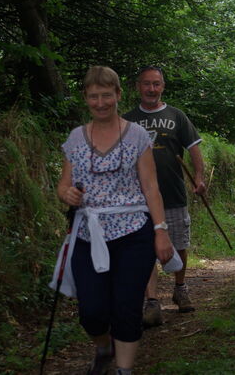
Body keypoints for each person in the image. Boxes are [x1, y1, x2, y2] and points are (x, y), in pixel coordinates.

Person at [54, 66, 174, 375]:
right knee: (91, 312)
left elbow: (150, 187)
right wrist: (68, 194)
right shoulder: (75, 139)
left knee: (126, 306)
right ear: (86, 98)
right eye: (94, 96)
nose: (101, 102)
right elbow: (63, 185)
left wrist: (160, 231)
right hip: (88, 234)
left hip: (133, 232)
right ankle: (103, 345)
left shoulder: (136, 136)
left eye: (107, 95)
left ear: (118, 95)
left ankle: (124, 369)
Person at [123, 65, 206, 327]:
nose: (151, 89)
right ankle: (152, 302)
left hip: (173, 192)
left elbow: (193, 149)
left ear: (163, 86)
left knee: (179, 243)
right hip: (138, 199)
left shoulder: (177, 116)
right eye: (146, 84)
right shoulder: (126, 121)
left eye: (156, 84)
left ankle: (180, 289)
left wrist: (200, 177)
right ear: (138, 87)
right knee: (146, 249)